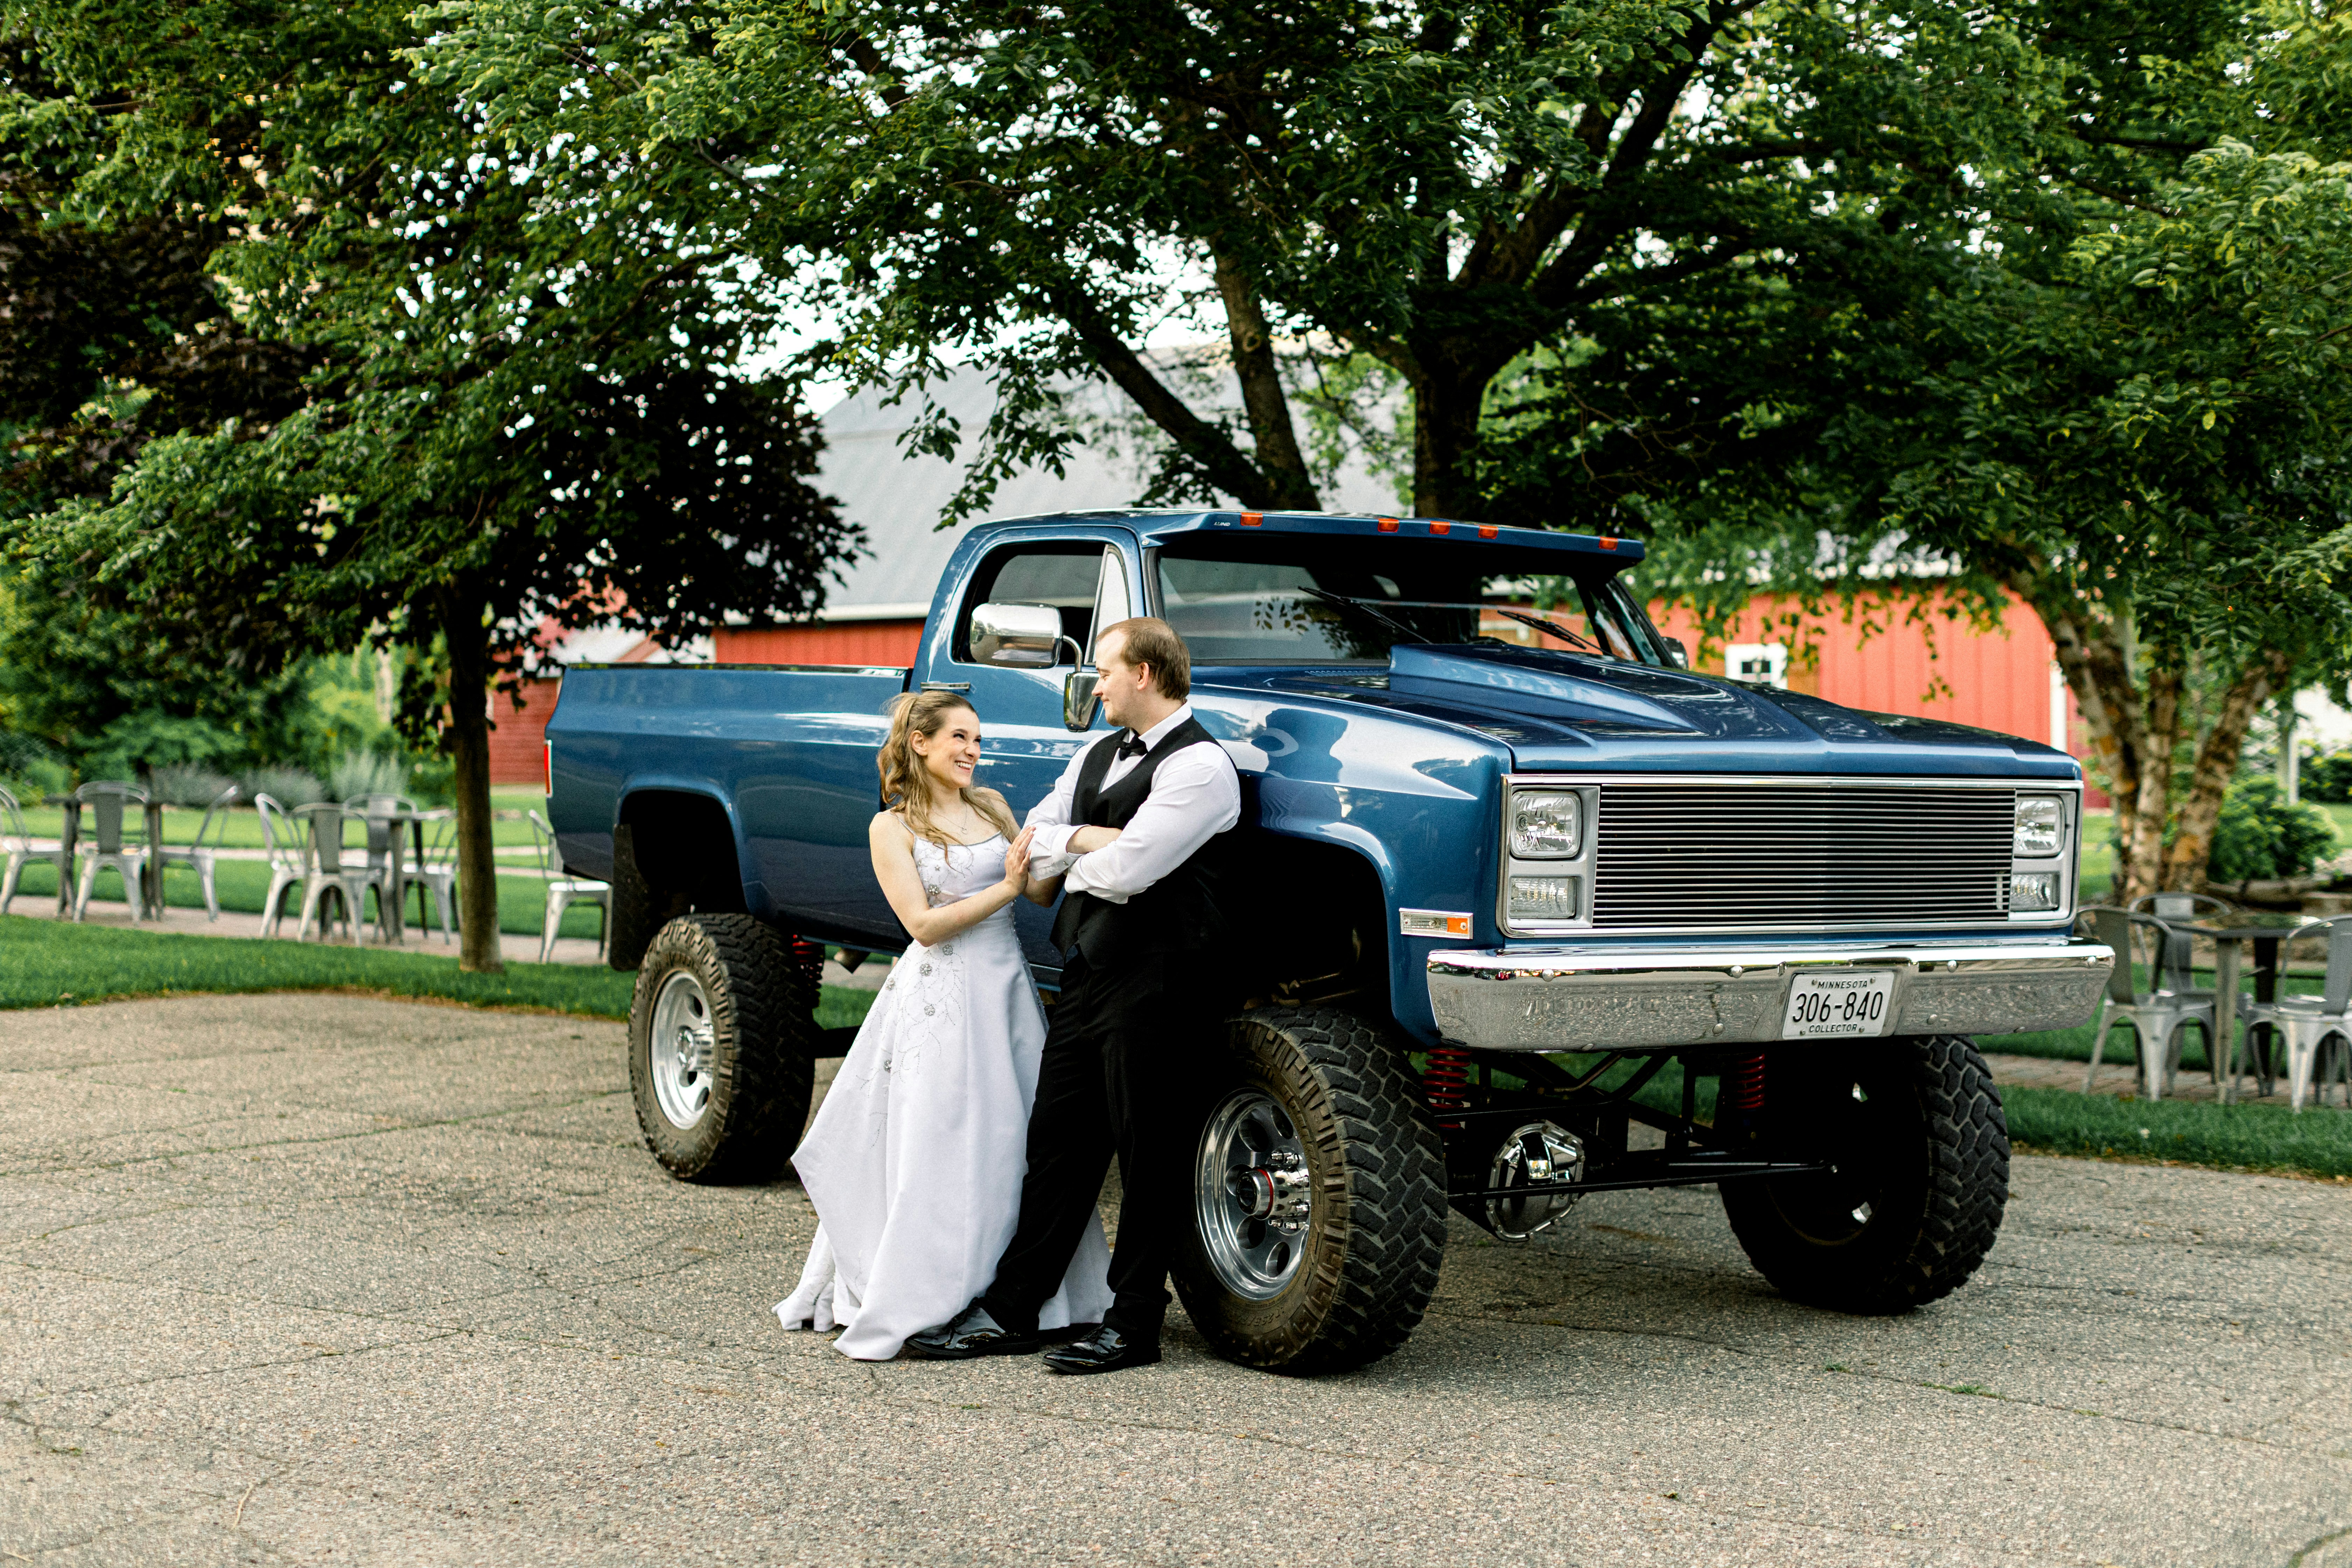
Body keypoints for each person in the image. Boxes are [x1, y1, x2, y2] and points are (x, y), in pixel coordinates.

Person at [905, 616, 1241, 1375]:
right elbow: (1038, 838)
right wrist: (1084, 843)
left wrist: (1069, 847)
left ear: (1146, 674)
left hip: (1161, 978)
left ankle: (1133, 1324)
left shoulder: (1201, 768)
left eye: (1105, 669)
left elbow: (1128, 871)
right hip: (1087, 970)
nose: (1095, 683)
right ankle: (1014, 1307)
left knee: (1148, 1151)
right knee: (1057, 1142)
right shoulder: (1097, 751)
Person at [774, 690, 1113, 1359]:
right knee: (939, 1139)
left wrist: (1065, 856)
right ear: (920, 743)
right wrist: (1010, 888)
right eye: (959, 737)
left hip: (1005, 992)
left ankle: (1021, 1294)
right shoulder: (891, 829)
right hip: (941, 999)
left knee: (1017, 1139)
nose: (972, 752)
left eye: (978, 740)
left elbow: (1036, 888)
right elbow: (923, 927)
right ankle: (928, 1293)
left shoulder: (990, 806)